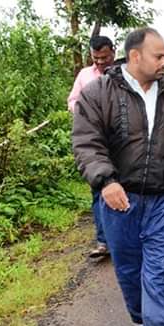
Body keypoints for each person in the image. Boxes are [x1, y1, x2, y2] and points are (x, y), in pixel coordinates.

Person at [72, 27, 164, 326]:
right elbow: (87, 142)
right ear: (135, 56)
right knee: (130, 268)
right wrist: (106, 181)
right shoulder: (98, 93)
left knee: (160, 271)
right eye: (159, 56)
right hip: (120, 198)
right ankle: (142, 323)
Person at [67, 35, 116, 259]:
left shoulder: (124, 73)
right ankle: (104, 241)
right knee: (99, 190)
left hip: (123, 143)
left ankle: (128, 238)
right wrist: (87, 113)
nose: (100, 63)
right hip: (96, 144)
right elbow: (72, 101)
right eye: (95, 58)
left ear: (113, 52)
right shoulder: (85, 76)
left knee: (129, 189)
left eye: (104, 58)